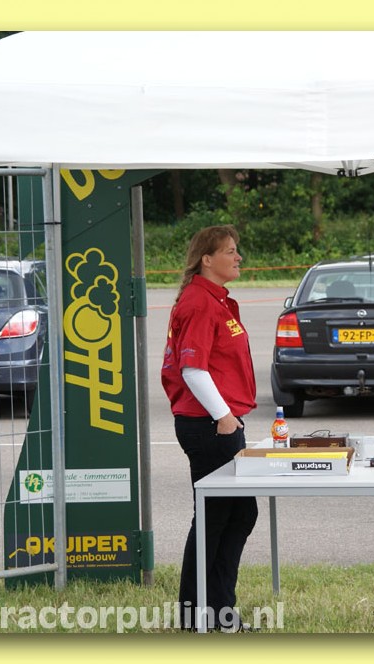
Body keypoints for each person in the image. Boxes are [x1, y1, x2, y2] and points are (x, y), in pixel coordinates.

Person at [161, 225, 258, 632]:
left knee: (238, 513)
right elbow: (193, 369)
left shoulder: (215, 299)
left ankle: (219, 611)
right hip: (210, 425)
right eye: (230, 251)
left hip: (219, 422)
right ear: (207, 259)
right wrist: (224, 417)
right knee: (215, 517)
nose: (238, 257)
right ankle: (197, 614)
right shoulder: (200, 302)